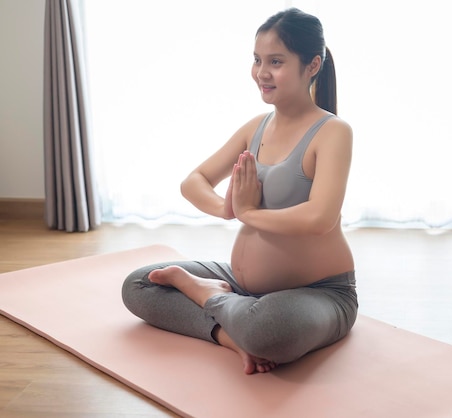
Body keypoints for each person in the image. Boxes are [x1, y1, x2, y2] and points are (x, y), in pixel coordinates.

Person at [121, 8, 358, 375]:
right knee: (138, 285)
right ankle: (233, 336)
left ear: (312, 66)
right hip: (241, 284)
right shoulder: (256, 127)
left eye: (276, 62)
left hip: (320, 292)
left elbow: (320, 218)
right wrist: (226, 208)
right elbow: (194, 180)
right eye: (257, 60)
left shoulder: (332, 132)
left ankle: (210, 298)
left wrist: (248, 214)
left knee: (268, 331)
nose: (262, 73)